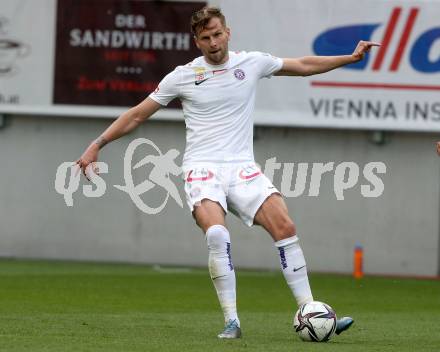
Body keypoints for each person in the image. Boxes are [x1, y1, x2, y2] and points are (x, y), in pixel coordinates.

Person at [76, 6, 380, 339]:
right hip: (201, 168)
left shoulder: (250, 63)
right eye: (205, 38)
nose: (213, 43)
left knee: (285, 225)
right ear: (197, 41)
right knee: (217, 234)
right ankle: (232, 321)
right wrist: (97, 144)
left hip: (242, 168)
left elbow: (303, 65)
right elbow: (136, 116)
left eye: (218, 35)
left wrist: (349, 59)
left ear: (228, 33)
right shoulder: (183, 75)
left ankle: (311, 312)